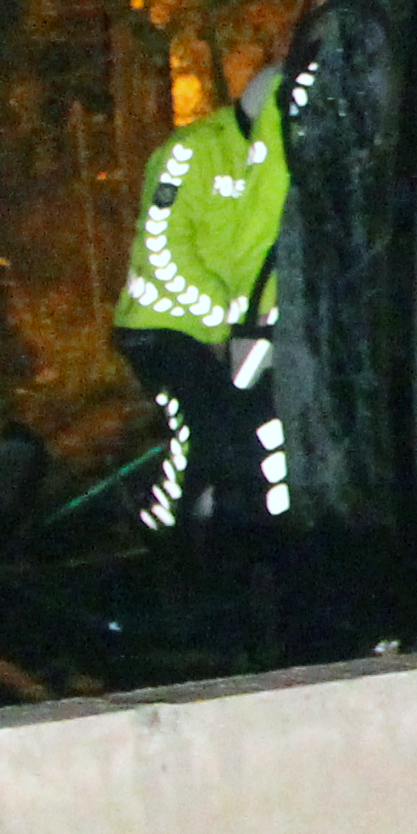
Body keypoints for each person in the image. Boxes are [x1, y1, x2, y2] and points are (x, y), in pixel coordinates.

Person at [111, 32, 297, 544]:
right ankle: (159, 530)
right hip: (161, 328)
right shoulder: (189, 153)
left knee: (244, 430)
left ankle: (228, 527)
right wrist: (220, 322)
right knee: (198, 429)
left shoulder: (278, 164)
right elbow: (163, 254)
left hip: (233, 331)